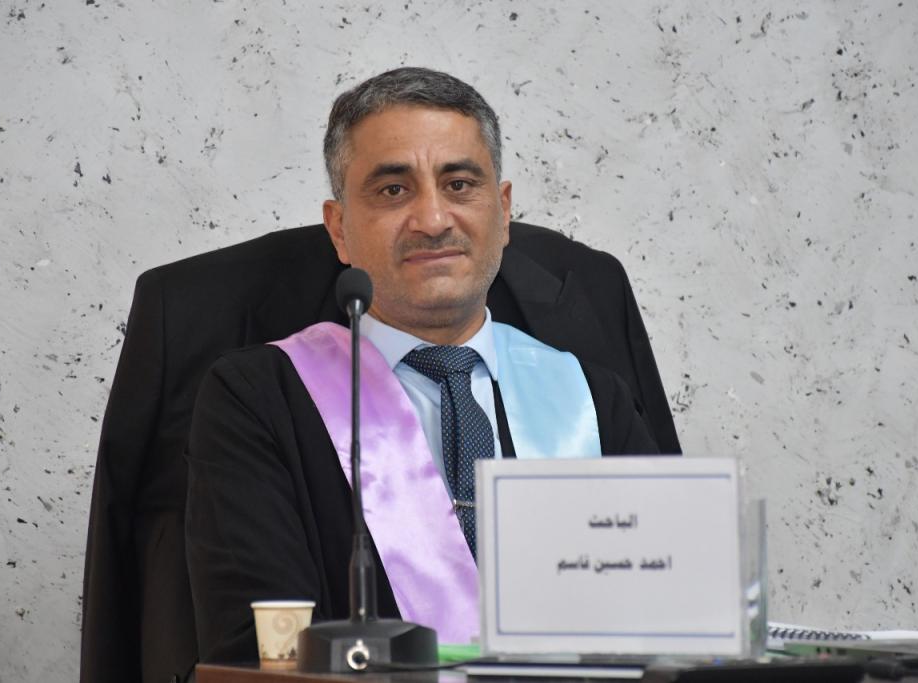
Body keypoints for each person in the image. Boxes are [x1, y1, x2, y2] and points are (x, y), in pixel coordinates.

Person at [183, 67, 661, 665]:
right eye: (393, 190)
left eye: (459, 184)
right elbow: (262, 656)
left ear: (503, 212)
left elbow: (676, 620)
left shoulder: (592, 399)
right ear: (339, 229)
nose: (433, 220)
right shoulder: (260, 401)